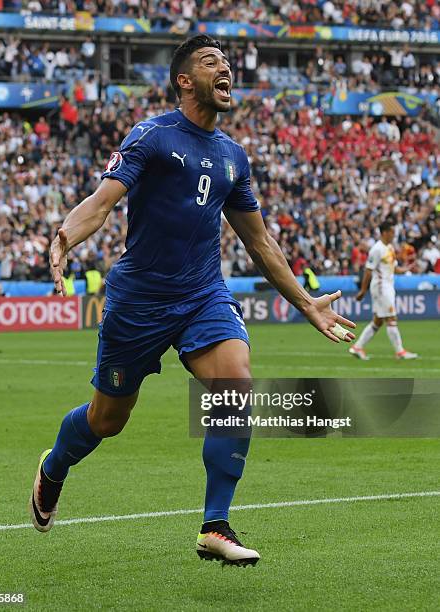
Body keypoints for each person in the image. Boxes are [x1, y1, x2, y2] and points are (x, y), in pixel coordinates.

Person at [29, 35, 355, 567]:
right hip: (139, 300)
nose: (224, 70)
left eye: (227, 63)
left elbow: (260, 242)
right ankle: (55, 465)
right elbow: (103, 201)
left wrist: (306, 301)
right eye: (211, 63)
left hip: (203, 293)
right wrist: (65, 236)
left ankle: (215, 525)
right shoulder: (152, 137)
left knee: (235, 386)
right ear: (185, 80)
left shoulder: (233, 155)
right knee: (107, 419)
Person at [349, 220, 417, 361]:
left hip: (388, 286)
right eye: (392, 232)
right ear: (385, 232)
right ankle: (400, 352)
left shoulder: (390, 248)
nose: (394, 235)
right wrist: (363, 290)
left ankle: (357, 347)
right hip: (381, 287)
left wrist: (407, 269)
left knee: (378, 321)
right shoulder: (377, 249)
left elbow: (394, 268)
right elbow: (368, 270)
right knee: (391, 318)